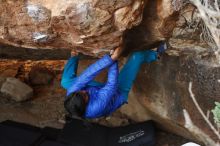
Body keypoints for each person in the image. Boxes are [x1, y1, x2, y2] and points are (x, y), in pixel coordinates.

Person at [61, 44, 166, 119]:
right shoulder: (96, 107)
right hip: (117, 93)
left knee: (66, 82)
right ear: (85, 105)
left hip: (97, 91)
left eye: (80, 92)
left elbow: (87, 75)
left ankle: (74, 56)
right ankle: (156, 54)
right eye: (84, 96)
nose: (84, 91)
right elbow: (111, 85)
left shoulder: (73, 93)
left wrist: (110, 58)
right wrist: (114, 60)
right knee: (137, 56)